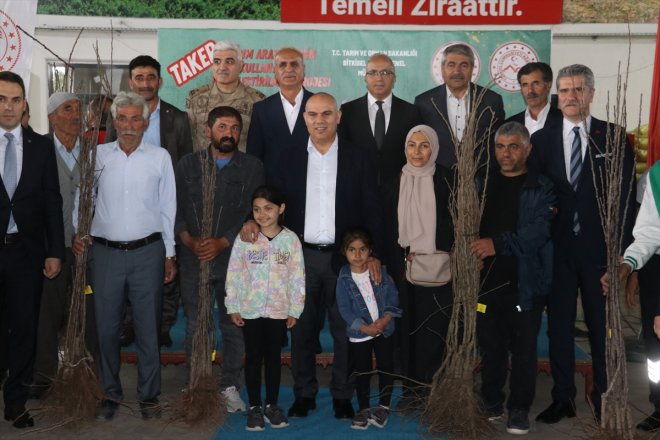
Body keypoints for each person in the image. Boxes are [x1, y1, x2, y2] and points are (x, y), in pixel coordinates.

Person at [242, 92, 384, 420]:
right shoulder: (287, 157)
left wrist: (372, 253)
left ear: (338, 117)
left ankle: (342, 395)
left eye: (326, 114)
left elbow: (373, 208)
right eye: (313, 114)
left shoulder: (358, 157)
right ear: (305, 118)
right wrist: (253, 222)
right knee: (301, 331)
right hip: (299, 258)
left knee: (346, 331)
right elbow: (270, 203)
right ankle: (304, 393)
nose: (320, 120)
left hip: (346, 260)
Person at [531, 64, 635, 423]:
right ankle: (563, 398)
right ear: (557, 96)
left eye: (578, 89)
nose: (571, 96)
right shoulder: (542, 140)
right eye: (565, 90)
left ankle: (604, 395)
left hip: (599, 253)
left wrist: (619, 254)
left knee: (601, 327)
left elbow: (624, 199)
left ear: (591, 94)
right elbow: (534, 196)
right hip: (557, 251)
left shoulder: (613, 137)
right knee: (559, 327)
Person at [72, 91, 177, 421]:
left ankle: (149, 396)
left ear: (145, 123)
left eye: (135, 119)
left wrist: (170, 254)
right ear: (114, 122)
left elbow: (168, 207)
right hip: (106, 254)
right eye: (122, 118)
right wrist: (79, 232)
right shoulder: (97, 156)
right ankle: (110, 393)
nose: (129, 125)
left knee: (149, 328)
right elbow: (82, 199)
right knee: (106, 328)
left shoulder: (160, 157)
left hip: (149, 252)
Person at [175, 105, 264, 413]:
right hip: (193, 257)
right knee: (196, 324)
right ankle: (196, 382)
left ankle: (229, 386)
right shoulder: (187, 165)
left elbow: (252, 211)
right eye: (223, 127)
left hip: (233, 258)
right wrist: (188, 240)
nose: (229, 133)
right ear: (207, 130)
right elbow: (174, 207)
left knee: (233, 324)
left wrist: (223, 241)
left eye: (235, 128)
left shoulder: (252, 167)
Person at [470, 121, 556, 435]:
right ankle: (491, 402)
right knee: (490, 348)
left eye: (513, 147)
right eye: (500, 147)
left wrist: (497, 244)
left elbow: (538, 232)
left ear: (528, 150)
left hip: (524, 284)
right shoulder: (482, 182)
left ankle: (519, 410)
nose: (505, 154)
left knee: (523, 352)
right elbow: (468, 226)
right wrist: (472, 254)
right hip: (486, 284)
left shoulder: (541, 187)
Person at [107, 55, 192, 348]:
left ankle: (164, 325)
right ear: (131, 82)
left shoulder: (178, 118)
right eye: (139, 78)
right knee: (131, 267)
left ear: (160, 81)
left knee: (167, 266)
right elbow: (109, 154)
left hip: (167, 201)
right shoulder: (118, 114)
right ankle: (129, 324)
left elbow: (186, 164)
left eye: (151, 77)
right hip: (129, 204)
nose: (145, 83)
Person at [0, 71, 64, 429]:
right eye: (1, 99)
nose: (8, 107)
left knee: (25, 329)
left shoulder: (41, 146)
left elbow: (52, 201)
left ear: (25, 104)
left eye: (15, 100)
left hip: (27, 254)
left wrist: (55, 252)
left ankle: (16, 401)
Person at [30, 92, 98, 398]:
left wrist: (89, 232)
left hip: (87, 246)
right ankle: (43, 376)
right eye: (66, 109)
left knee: (89, 311)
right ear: (51, 117)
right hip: (52, 249)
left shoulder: (93, 152)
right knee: (49, 312)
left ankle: (91, 372)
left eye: (78, 109)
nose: (75, 115)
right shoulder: (38, 150)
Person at [225, 184, 305, 431]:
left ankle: (271, 405)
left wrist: (294, 309)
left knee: (273, 357)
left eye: (268, 208)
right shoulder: (245, 239)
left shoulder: (290, 240)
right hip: (250, 309)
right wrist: (233, 305)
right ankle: (254, 407)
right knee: (253, 357)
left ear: (281, 208)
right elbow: (234, 273)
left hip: (278, 311)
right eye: (257, 209)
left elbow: (298, 276)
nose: (262, 214)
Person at [396, 124, 453, 404]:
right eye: (412, 145)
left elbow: (456, 223)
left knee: (433, 330)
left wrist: (430, 248)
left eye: (424, 145)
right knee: (408, 330)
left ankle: (432, 390)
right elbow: (387, 221)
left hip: (437, 269)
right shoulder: (397, 177)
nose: (417, 152)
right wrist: (404, 252)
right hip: (403, 270)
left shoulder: (447, 178)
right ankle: (410, 391)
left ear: (434, 148)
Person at [601, 161, 660, 431]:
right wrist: (628, 264)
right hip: (656, 264)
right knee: (654, 344)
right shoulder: (657, 174)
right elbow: (650, 232)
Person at [336, 228, 401, 431]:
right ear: (344, 252)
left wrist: (384, 321)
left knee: (386, 367)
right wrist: (364, 327)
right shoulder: (343, 278)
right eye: (352, 250)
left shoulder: (379, 272)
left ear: (370, 251)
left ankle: (383, 407)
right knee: (362, 371)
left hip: (384, 329)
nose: (357, 255)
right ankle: (363, 408)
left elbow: (393, 298)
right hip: (360, 333)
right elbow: (345, 309)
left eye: (362, 249)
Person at [414, 43, 504, 170]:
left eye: (464, 65)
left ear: (472, 69)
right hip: (437, 175)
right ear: (442, 68)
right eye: (451, 65)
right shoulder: (424, 102)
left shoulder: (492, 100)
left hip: (480, 175)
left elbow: (498, 142)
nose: (457, 71)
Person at [246, 47, 314, 184]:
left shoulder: (320, 105)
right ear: (275, 72)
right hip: (273, 190)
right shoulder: (261, 109)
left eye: (294, 64)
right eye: (282, 65)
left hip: (313, 187)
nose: (289, 69)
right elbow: (254, 157)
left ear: (303, 69)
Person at [187, 40, 265, 152]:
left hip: (241, 163)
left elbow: (262, 143)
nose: (222, 67)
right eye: (217, 62)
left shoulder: (256, 100)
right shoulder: (196, 98)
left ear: (241, 66)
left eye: (229, 62)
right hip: (203, 162)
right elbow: (188, 140)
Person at [506, 62, 562, 135]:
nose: (530, 90)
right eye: (525, 85)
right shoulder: (509, 125)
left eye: (536, 83)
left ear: (548, 85)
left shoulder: (564, 120)